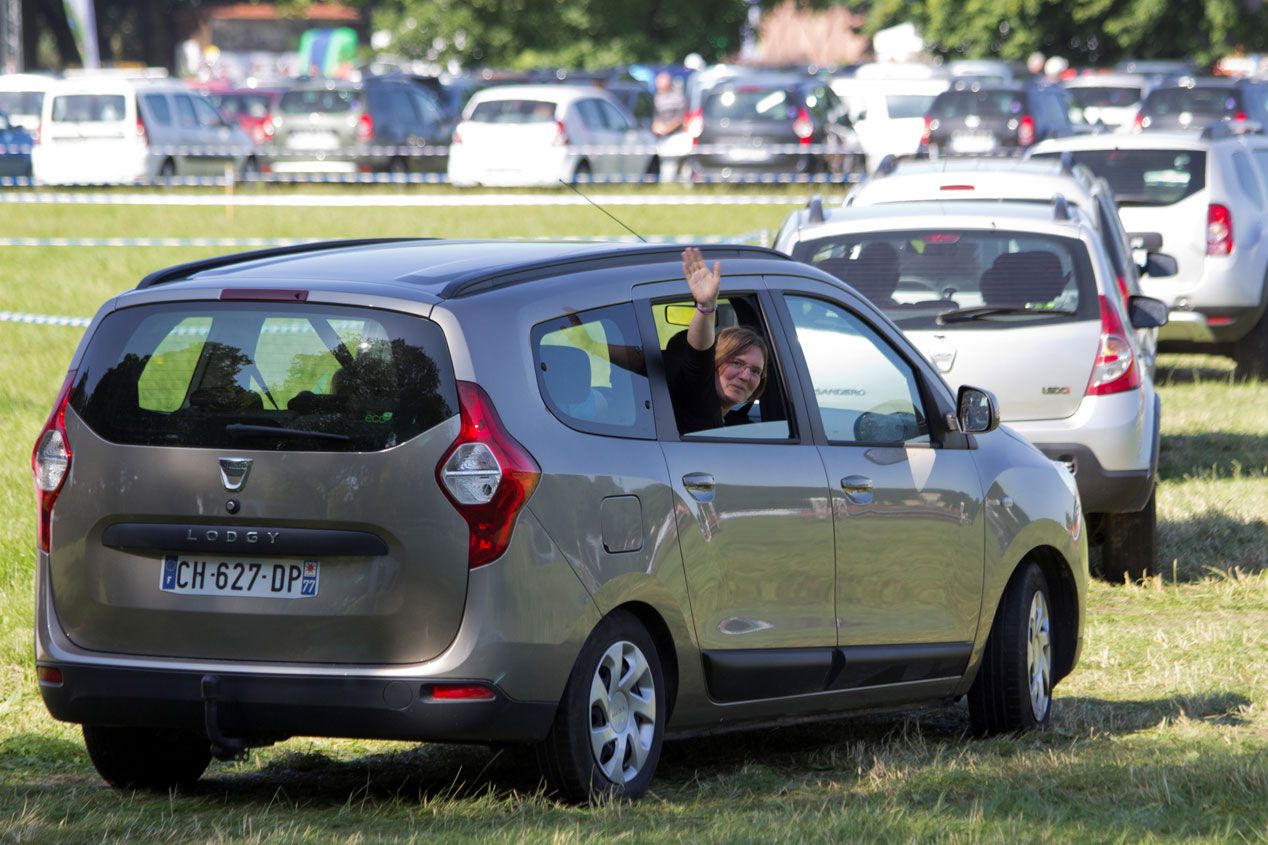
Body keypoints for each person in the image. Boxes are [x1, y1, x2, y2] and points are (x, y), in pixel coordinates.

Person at [666, 248, 769, 434]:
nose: (745, 376)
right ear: (714, 363)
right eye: (737, 363)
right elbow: (698, 354)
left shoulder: (724, 418)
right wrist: (706, 307)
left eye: (755, 371)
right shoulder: (698, 398)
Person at [652, 71, 686, 138]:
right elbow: (657, 116)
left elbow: (680, 117)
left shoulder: (677, 97)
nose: (657, 84)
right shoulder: (658, 97)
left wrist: (667, 129)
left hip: (676, 134)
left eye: (659, 82)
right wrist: (655, 127)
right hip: (661, 135)